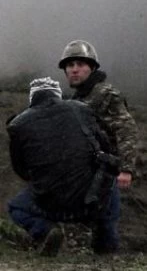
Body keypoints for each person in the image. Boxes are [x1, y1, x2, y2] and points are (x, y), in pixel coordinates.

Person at [7, 78, 121, 256]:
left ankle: (45, 230)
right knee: (109, 178)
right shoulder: (81, 109)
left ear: (32, 98)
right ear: (57, 94)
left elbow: (20, 169)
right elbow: (106, 146)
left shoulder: (18, 125)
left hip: (49, 203)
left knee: (16, 207)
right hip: (90, 200)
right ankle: (106, 248)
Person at [59, 40, 140, 192]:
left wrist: (126, 169)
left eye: (80, 64)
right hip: (81, 174)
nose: (74, 70)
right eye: (70, 65)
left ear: (92, 68)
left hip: (104, 175)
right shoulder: (75, 99)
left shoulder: (106, 94)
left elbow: (127, 130)